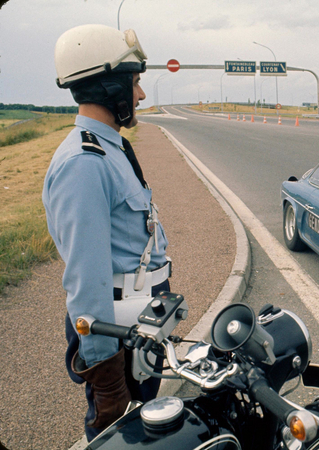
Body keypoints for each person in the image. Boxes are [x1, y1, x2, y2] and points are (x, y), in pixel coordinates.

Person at [42, 24, 171, 441]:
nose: (141, 95)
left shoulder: (111, 148)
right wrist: (106, 377)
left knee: (148, 428)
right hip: (115, 333)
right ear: (111, 86)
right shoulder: (85, 163)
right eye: (135, 83)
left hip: (137, 320)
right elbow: (86, 278)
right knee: (118, 435)